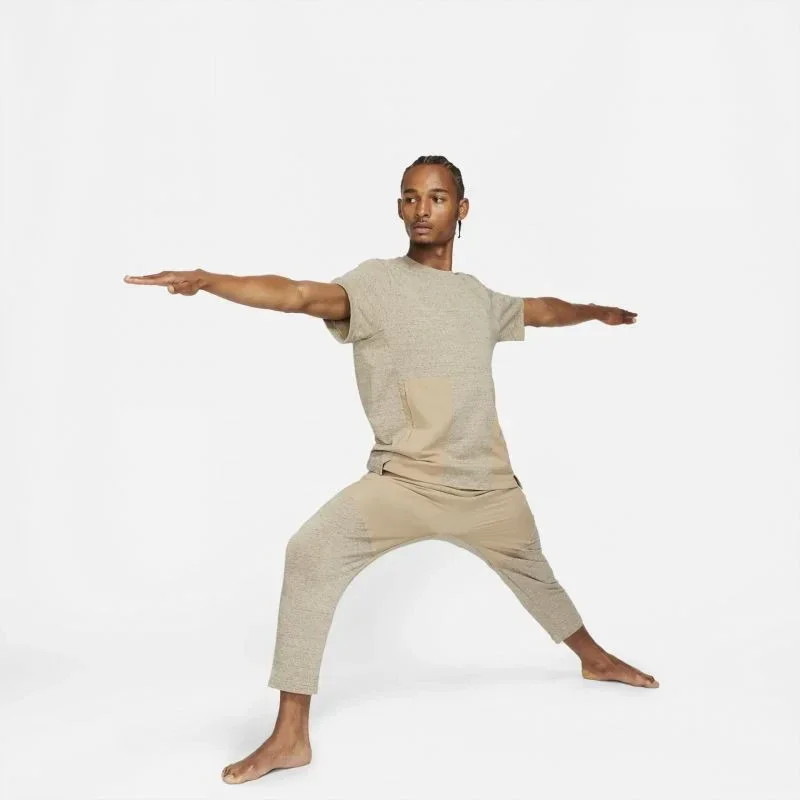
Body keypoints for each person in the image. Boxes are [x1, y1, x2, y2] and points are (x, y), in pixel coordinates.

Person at [124, 155, 659, 786]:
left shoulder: (479, 298)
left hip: (488, 488)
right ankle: (290, 735)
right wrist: (211, 280)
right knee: (311, 553)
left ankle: (594, 659)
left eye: (436, 198)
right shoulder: (376, 284)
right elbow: (298, 295)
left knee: (535, 574)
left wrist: (595, 310)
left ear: (461, 210)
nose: (421, 209)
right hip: (405, 485)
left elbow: (542, 308)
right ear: (399, 208)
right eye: (409, 197)